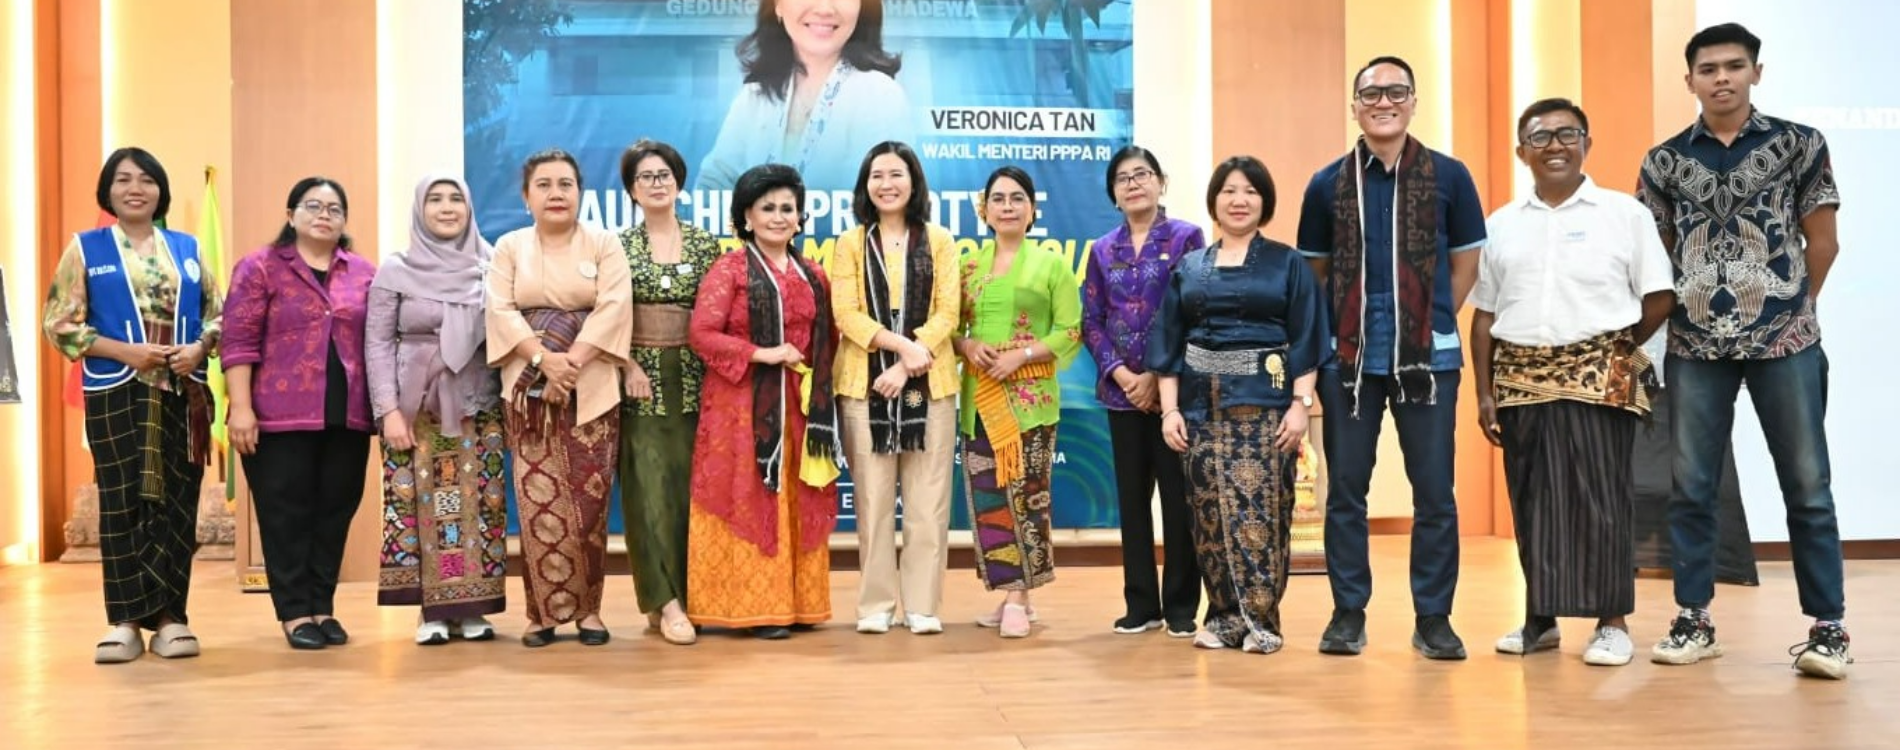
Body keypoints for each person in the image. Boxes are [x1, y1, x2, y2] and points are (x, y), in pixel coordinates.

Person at [1636, 23, 1849, 679]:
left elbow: (1823, 242)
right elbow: (1656, 259)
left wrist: (1790, 312)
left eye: (1734, 66)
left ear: (1757, 72)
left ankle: (1828, 629)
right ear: (1690, 80)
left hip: (1787, 343)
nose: (1721, 78)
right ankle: (1694, 619)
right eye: (1708, 69)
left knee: (1808, 486)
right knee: (1691, 488)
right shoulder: (1663, 162)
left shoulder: (1800, 144)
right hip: (1695, 346)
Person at [1470, 99, 1674, 667]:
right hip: (1519, 380)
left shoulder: (1624, 214)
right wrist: (1484, 392)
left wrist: (1616, 350)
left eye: (1567, 134)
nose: (1554, 145)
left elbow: (1659, 296)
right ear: (1522, 151)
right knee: (1532, 501)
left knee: (1600, 499)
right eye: (1540, 137)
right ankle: (1541, 619)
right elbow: (1484, 316)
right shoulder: (1501, 224)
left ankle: (1612, 622)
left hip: (1600, 375)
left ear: (1587, 143)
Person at [1297, 55, 1487, 660]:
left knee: (1434, 493)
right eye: (1372, 93)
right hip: (1348, 362)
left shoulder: (1450, 176)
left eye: (1396, 91)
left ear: (1413, 102)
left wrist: (1427, 322)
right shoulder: (1325, 184)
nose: (1384, 102)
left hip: (1427, 362)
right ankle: (1348, 612)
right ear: (1354, 106)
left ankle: (1433, 618)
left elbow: (1465, 264)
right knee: (1346, 492)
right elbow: (1315, 274)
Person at [43, 147, 222, 662]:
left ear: (160, 190)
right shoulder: (86, 248)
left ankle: (171, 618)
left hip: (182, 392)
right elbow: (58, 323)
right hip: (116, 389)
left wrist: (199, 349)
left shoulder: (187, 248)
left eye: (146, 179)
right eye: (122, 180)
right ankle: (123, 621)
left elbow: (219, 315)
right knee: (124, 502)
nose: (135, 188)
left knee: (177, 502)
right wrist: (126, 352)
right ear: (108, 191)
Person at [1145, 156, 1323, 654]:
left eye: (1250, 191)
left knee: (1264, 515)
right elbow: (1168, 344)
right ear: (1214, 201)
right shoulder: (1190, 266)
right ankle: (1225, 618)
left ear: (1264, 202)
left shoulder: (1287, 263)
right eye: (1228, 191)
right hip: (1200, 410)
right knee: (1209, 519)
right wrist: (1170, 411)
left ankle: (1263, 622)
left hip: (1267, 409)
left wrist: (1300, 404)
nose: (1239, 200)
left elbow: (1307, 337)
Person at [686, 163, 842, 639]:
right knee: (749, 495)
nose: (778, 217)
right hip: (740, 405)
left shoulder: (814, 274)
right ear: (747, 217)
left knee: (798, 494)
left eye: (787, 208)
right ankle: (753, 608)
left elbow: (828, 340)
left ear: (800, 217)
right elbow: (702, 334)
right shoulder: (729, 269)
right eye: (767, 208)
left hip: (800, 405)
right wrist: (763, 353)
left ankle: (799, 605)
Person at [223, 176, 377, 651]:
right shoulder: (260, 266)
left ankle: (322, 606)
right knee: (285, 514)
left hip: (347, 414)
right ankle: (294, 612)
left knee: (335, 511)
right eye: (313, 206)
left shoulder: (363, 272)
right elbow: (237, 341)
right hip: (277, 415)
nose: (324, 215)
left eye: (334, 208)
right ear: (290, 215)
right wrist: (241, 408)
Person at [486, 149, 633, 648]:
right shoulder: (509, 246)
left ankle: (589, 611)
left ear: (580, 193)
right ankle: (541, 615)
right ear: (525, 196)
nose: (555, 193)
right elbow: (500, 310)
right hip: (529, 392)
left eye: (565, 184)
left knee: (591, 504)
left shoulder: (604, 243)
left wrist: (570, 362)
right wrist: (541, 359)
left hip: (592, 388)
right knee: (536, 502)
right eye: (544, 185)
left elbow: (614, 306)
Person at [366, 175, 506, 645]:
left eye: (456, 199)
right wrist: (388, 410)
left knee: (479, 505)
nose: (447, 208)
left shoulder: (491, 265)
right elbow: (377, 343)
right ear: (419, 209)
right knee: (422, 504)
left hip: (476, 402)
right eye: (435, 199)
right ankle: (432, 611)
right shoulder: (396, 269)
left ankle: (472, 607)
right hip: (415, 406)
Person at [828, 141, 960, 636]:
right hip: (865, 384)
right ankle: (876, 604)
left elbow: (948, 311)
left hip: (931, 383)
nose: (887, 184)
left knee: (928, 503)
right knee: (873, 501)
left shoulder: (940, 240)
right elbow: (846, 313)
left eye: (896, 174)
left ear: (914, 181)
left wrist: (908, 363)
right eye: (877, 175)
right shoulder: (850, 243)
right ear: (866, 185)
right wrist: (901, 347)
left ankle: (923, 604)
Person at [1083, 145, 1207, 637]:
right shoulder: (1101, 250)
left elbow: (1192, 309)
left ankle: (1179, 606)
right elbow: (1092, 321)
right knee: (1132, 504)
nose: (1133, 184)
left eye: (1142, 174)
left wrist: (1157, 376)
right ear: (1113, 193)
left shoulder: (1185, 238)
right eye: (1123, 178)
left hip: (1174, 395)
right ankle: (1141, 604)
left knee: (1179, 502)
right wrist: (1122, 375)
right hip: (1121, 396)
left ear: (1161, 182)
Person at [955, 166, 1081, 639]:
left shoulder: (1051, 265)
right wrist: (968, 346)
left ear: (1032, 210)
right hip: (980, 400)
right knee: (989, 501)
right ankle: (1012, 591)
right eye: (998, 199)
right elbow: (951, 329)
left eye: (1017, 199)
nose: (1007, 207)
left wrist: (1022, 356)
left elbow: (1071, 330)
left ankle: (1017, 596)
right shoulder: (968, 266)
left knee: (1028, 499)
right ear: (984, 210)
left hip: (1030, 404)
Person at [616, 139, 721, 646]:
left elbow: (720, 316)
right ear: (632, 190)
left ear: (679, 182)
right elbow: (605, 316)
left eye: (665, 175)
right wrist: (627, 363)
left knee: (690, 495)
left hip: (699, 381)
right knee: (648, 491)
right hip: (639, 381)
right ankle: (666, 601)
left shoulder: (705, 244)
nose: (657, 184)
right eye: (646, 177)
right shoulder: (615, 246)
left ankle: (686, 594)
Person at [696, 0, 914, 191]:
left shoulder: (880, 96)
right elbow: (713, 183)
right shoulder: (754, 96)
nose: (825, 8)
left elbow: (884, 204)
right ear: (777, 5)